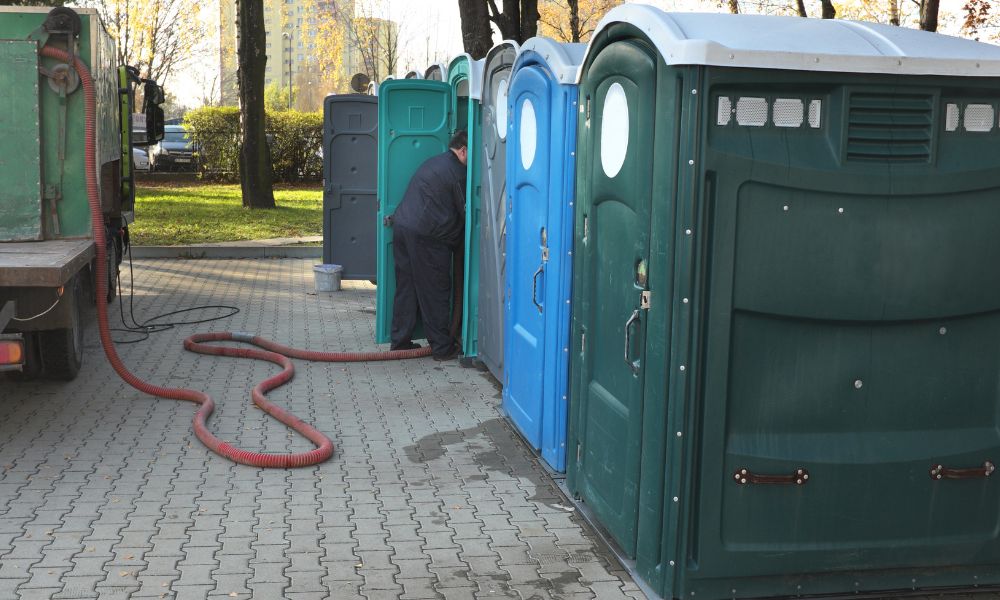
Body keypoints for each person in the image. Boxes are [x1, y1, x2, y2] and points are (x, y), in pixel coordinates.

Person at [389, 130, 468, 361]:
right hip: (428, 237)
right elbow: (465, 211)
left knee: (407, 287)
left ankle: (400, 342)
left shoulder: (435, 162)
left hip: (403, 227)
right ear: (463, 150)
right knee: (435, 290)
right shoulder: (458, 172)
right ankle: (442, 348)